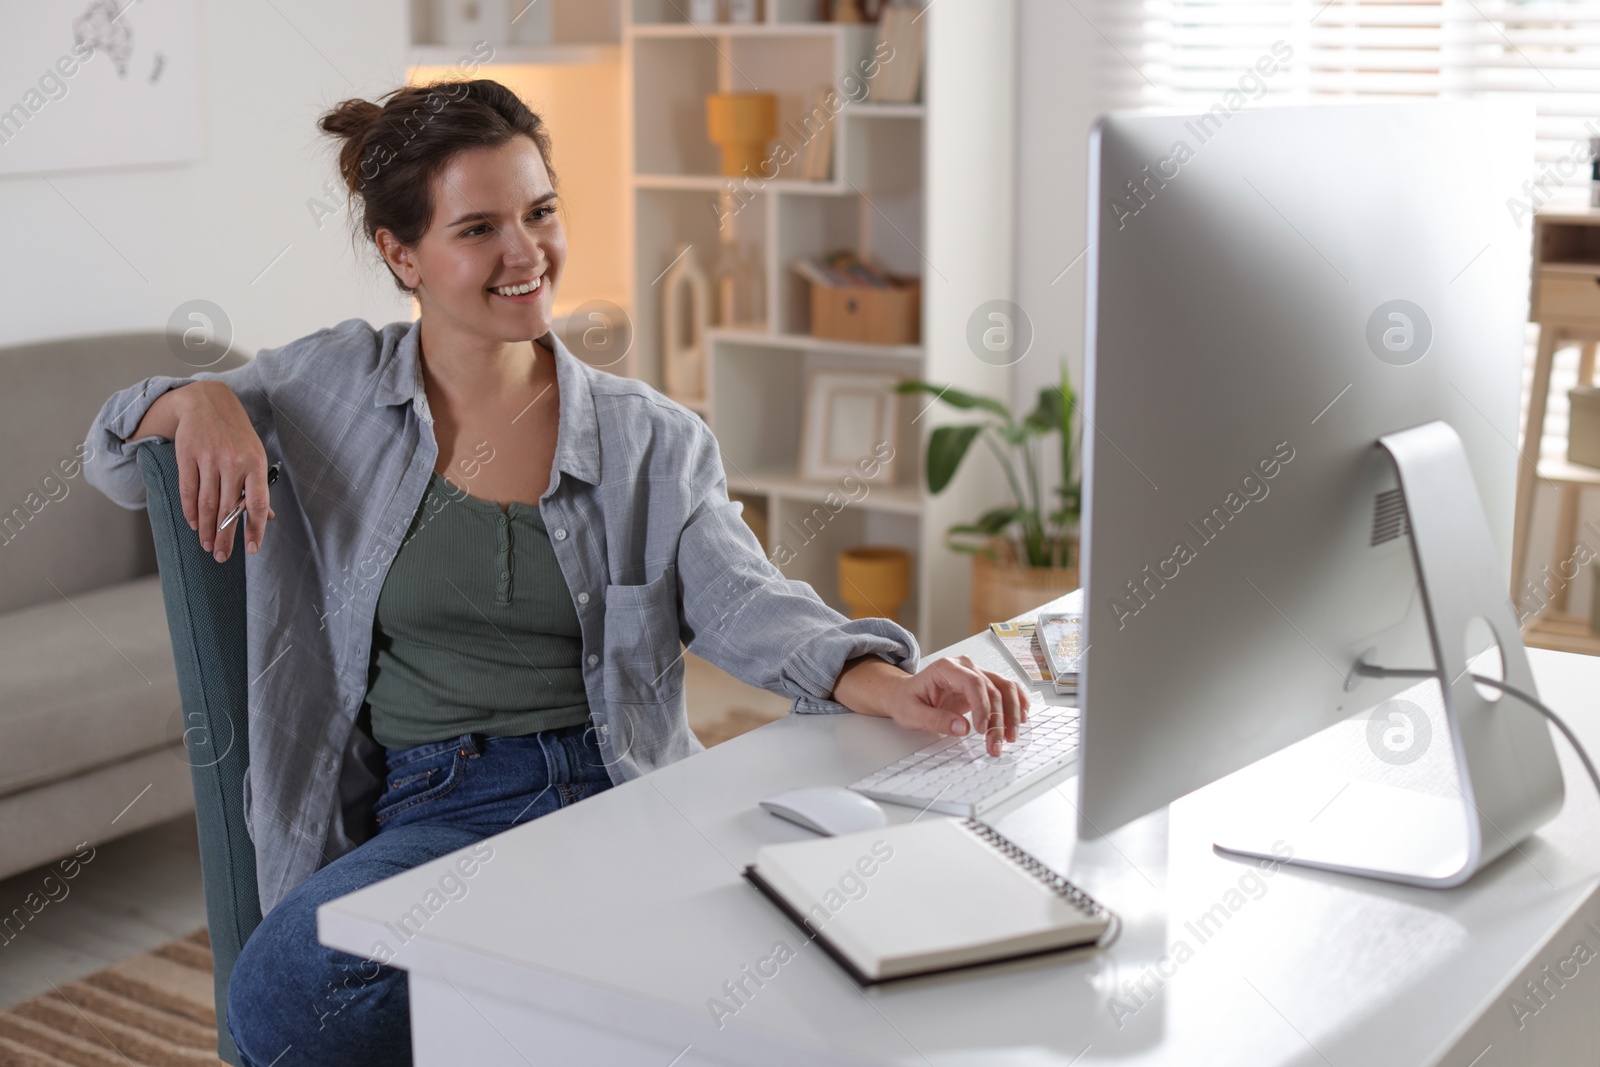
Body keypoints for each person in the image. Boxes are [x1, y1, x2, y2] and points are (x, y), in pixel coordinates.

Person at [81, 78, 1030, 1067]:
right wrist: (198, 402)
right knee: (286, 994)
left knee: (834, 954)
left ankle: (560, 986)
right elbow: (113, 453)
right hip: (442, 804)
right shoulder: (328, 391)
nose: (525, 253)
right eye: (480, 227)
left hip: (618, 788)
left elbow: (742, 596)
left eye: (539, 212)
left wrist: (887, 680)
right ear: (402, 254)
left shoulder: (648, 435)